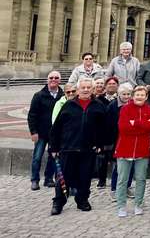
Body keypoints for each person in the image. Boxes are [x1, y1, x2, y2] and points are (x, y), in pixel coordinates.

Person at [49, 77, 107, 215]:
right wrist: (54, 147)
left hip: (88, 149)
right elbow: (56, 128)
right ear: (78, 89)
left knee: (85, 177)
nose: (86, 90)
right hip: (68, 148)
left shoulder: (98, 106)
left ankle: (82, 200)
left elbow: (103, 128)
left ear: (92, 89)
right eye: (83, 87)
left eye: (88, 87)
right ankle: (58, 202)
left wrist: (100, 144)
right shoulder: (68, 105)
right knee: (63, 178)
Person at [114, 86, 150, 217]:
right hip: (124, 148)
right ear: (133, 96)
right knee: (122, 179)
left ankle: (138, 204)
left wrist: (135, 123)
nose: (139, 97)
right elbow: (123, 127)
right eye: (137, 94)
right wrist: (142, 125)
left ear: (146, 96)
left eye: (142, 95)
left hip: (142, 149)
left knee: (141, 178)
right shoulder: (125, 109)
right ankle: (121, 206)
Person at [28, 71, 64, 190]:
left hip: (55, 133)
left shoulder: (63, 96)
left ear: (60, 80)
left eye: (56, 78)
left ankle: (49, 179)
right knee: (37, 156)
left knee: (53, 157)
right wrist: (33, 131)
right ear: (47, 80)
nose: (53, 79)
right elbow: (32, 115)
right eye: (51, 77)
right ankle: (34, 180)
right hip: (41, 132)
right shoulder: (38, 95)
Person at [105, 84, 133, 199]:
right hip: (118, 139)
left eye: (128, 94)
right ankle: (114, 189)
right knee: (119, 166)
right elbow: (108, 125)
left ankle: (127, 187)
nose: (126, 96)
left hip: (131, 139)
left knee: (131, 164)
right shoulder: (112, 106)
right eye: (124, 94)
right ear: (119, 94)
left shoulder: (133, 104)